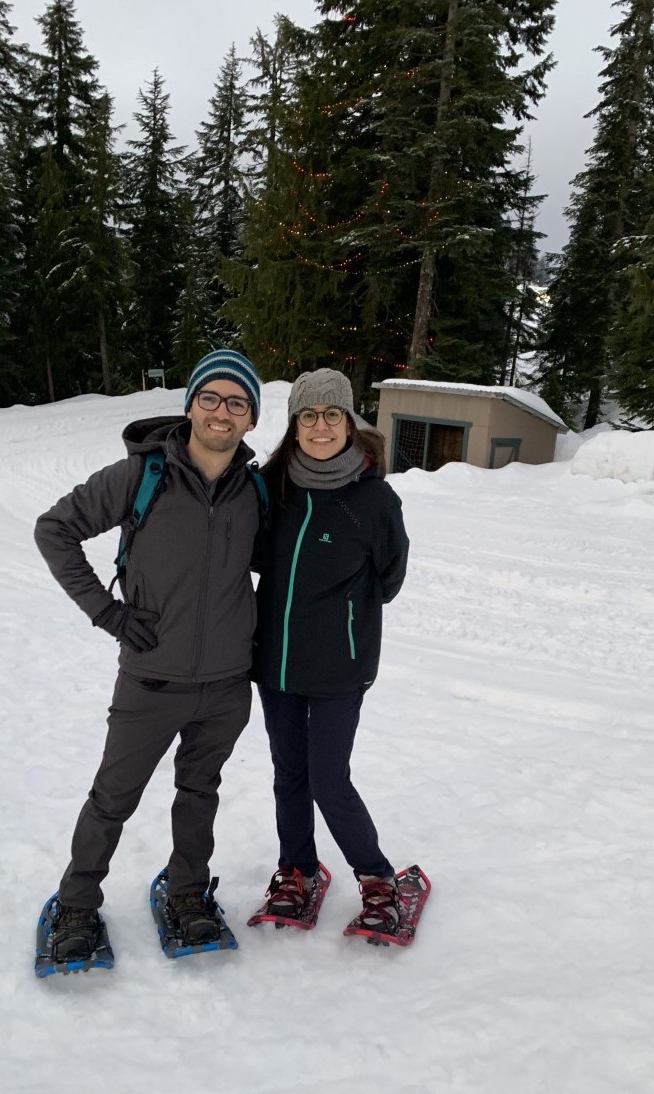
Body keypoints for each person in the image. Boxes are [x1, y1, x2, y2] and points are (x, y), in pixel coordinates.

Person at [34, 348, 263, 961]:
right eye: (210, 398)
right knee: (113, 797)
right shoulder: (142, 475)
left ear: (250, 420)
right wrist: (106, 612)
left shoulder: (257, 490)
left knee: (200, 793)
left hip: (226, 686)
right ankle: (76, 903)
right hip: (151, 680)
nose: (222, 411)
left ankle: (188, 892)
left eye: (236, 403)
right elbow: (54, 529)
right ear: (190, 406)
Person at [251, 367, 410, 936]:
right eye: (309, 415)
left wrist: (346, 616)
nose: (321, 427)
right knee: (288, 774)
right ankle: (296, 870)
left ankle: (377, 880)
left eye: (332, 414)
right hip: (274, 664)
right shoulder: (273, 487)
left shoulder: (372, 500)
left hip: (341, 667)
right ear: (295, 425)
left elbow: (390, 579)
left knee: (327, 777)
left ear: (349, 421)